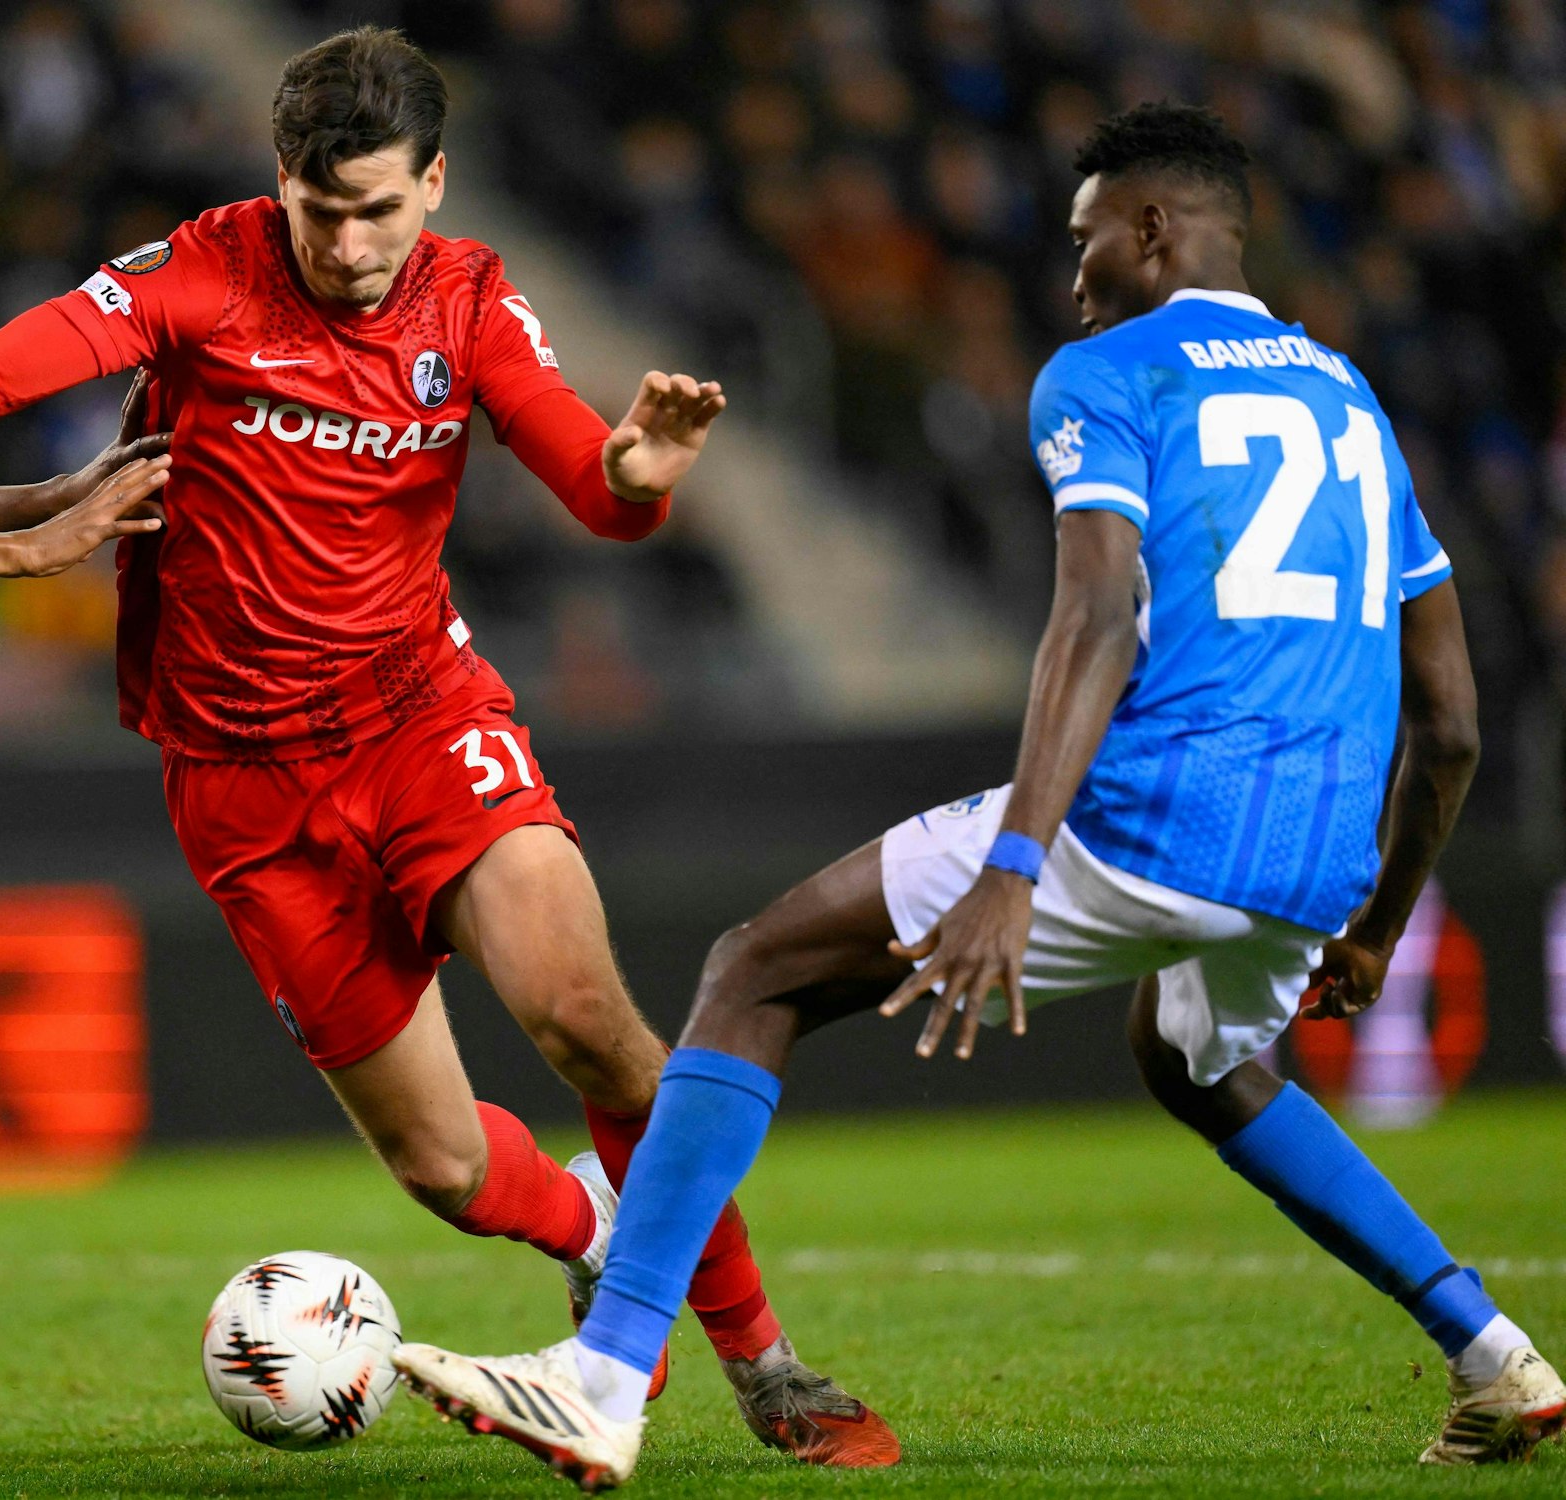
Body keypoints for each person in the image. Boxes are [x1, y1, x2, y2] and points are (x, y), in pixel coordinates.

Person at [391, 102, 1564, 1488]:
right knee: (1198, 1060)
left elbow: (1096, 617)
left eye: (1085, 241)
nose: (1072, 277)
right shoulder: (1351, 398)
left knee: (755, 970)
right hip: (1316, 849)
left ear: (1152, 229)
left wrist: (1015, 865)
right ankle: (1494, 1352)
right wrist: (1374, 922)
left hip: (1162, 813)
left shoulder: (1106, 373)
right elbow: (1452, 721)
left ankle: (601, 1379)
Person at [0, 25, 895, 1466]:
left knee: (589, 1019)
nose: (346, 246)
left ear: (434, 184)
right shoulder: (201, 271)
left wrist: (638, 474)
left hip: (419, 718)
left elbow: (598, 487)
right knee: (444, 1167)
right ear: (281, 179)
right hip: (240, 782)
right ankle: (593, 1226)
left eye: (378, 209)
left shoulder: (472, 299)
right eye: (320, 211)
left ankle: (765, 1364)